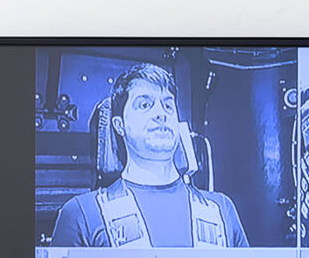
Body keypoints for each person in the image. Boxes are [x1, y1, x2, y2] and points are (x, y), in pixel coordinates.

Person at [51, 63, 249, 248]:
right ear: (120, 125)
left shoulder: (222, 210)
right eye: (145, 105)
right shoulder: (81, 215)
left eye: (168, 106)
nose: (161, 114)